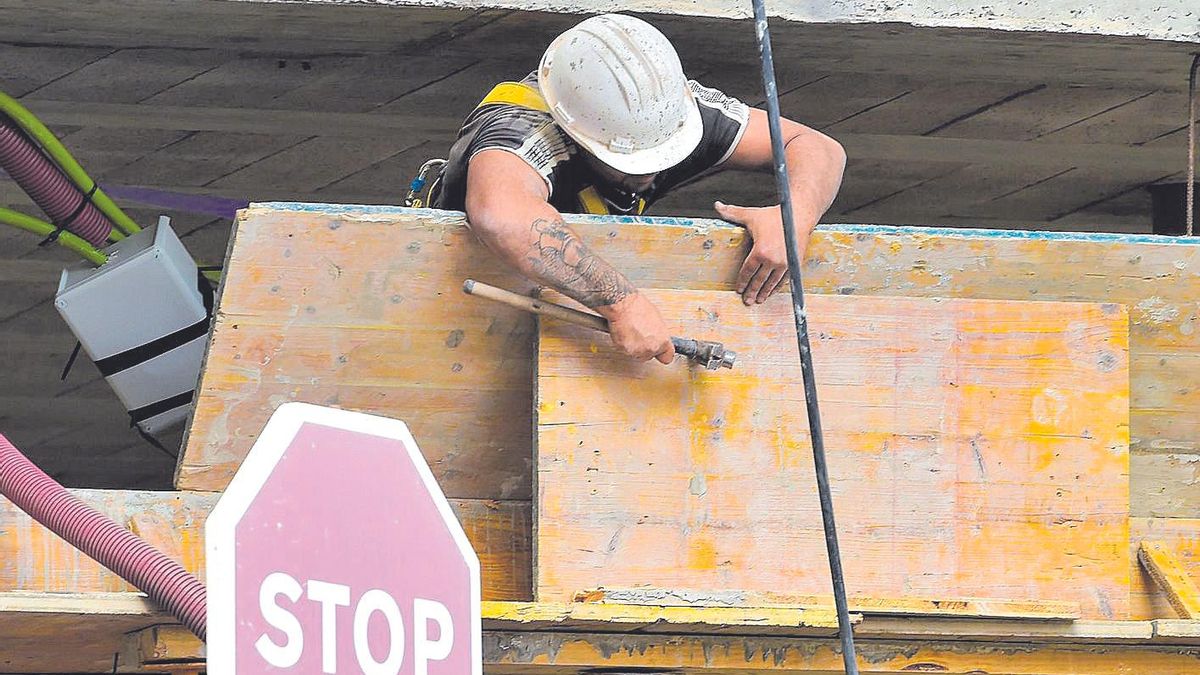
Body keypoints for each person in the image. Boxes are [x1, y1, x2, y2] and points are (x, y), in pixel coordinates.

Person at [430, 13, 845, 364]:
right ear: (577, 133)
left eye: (663, 155)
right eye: (631, 164)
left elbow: (817, 147)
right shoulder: (521, 130)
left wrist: (794, 216)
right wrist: (622, 303)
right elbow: (501, 216)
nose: (651, 174)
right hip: (458, 328)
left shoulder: (673, 114)